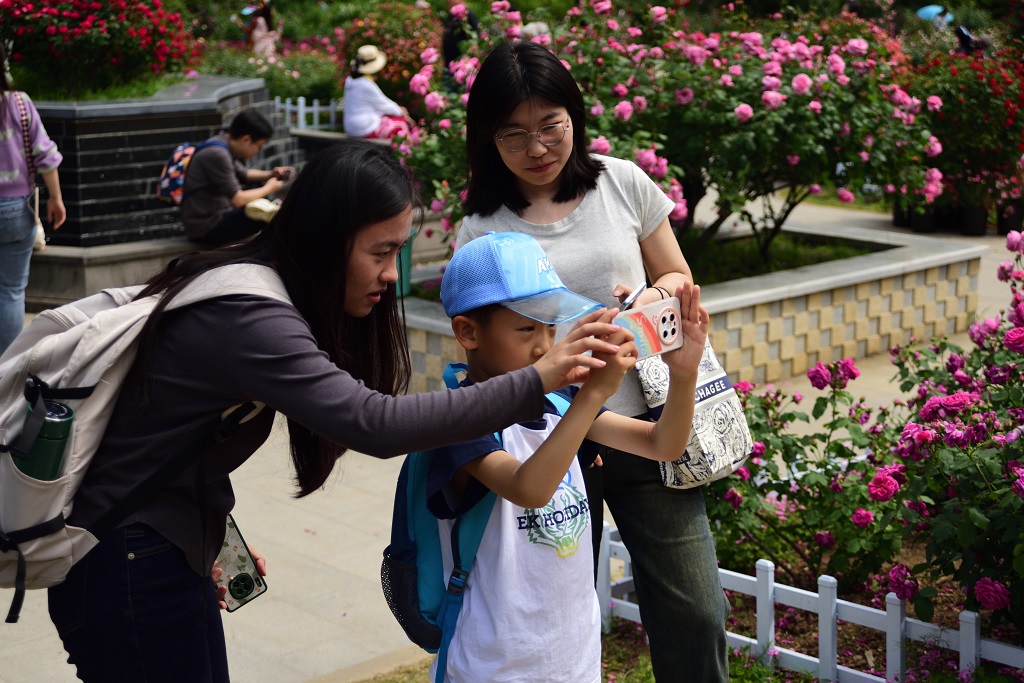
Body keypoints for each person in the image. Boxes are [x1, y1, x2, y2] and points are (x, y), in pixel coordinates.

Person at [46, 141, 623, 682]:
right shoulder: (252, 316)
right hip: (123, 562)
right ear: (326, 240)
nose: (393, 273)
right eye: (381, 251)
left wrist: (209, 533)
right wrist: (542, 377)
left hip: (155, 555)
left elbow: (173, 435)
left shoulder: (253, 293)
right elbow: (373, 423)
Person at [457, 40, 730, 681]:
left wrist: (641, 306)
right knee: (554, 615)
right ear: (488, 140)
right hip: (548, 441)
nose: (538, 148)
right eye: (514, 135)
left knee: (695, 608)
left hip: (642, 424)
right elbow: (486, 347)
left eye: (551, 126)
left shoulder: (622, 182)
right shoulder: (480, 228)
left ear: (574, 118)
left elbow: (677, 277)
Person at [427, 231, 709, 683]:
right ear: (468, 332)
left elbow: (664, 445)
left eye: (550, 328)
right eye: (525, 329)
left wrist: (684, 372)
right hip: (494, 662)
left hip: (572, 653)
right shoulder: (458, 422)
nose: (545, 346)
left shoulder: (559, 404)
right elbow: (529, 489)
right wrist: (592, 393)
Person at [0, 42, 66, 354]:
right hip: (16, 210)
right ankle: (7, 368)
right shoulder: (19, 103)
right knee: (12, 292)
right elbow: (45, 155)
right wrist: (55, 198)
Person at [180, 109, 295, 246]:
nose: (258, 150)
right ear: (246, 139)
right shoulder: (217, 154)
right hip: (205, 228)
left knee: (257, 190)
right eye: (259, 146)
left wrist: (271, 174)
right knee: (261, 215)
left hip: (213, 216)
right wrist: (269, 188)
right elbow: (238, 200)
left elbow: (244, 174)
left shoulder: (221, 144)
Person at [343, 45, 415, 140]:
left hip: (351, 128)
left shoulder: (350, 81)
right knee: (401, 124)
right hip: (363, 128)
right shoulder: (366, 84)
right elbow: (384, 104)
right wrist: (401, 111)